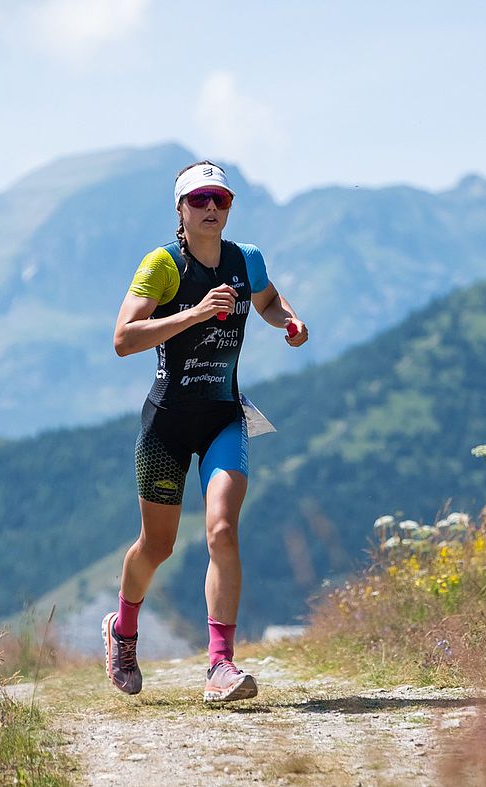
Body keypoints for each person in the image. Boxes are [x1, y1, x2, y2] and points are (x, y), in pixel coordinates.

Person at [104, 160, 308, 702]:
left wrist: (288, 320)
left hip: (224, 416)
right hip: (167, 423)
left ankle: (220, 665)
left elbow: (265, 299)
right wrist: (193, 315)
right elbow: (124, 339)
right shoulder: (164, 266)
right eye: (199, 200)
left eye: (220, 198)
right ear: (181, 209)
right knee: (158, 546)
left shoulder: (246, 260)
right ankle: (123, 631)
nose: (212, 207)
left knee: (221, 529)